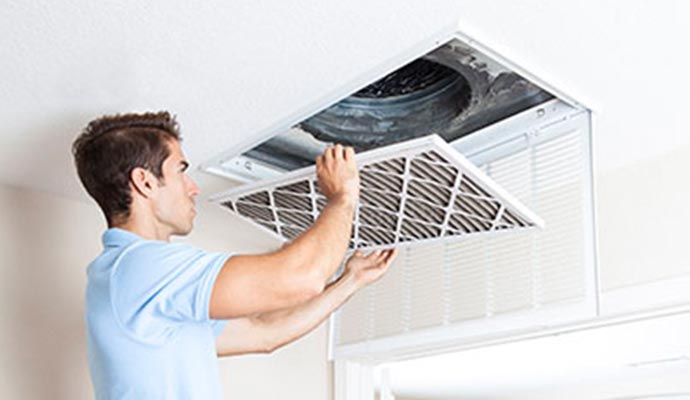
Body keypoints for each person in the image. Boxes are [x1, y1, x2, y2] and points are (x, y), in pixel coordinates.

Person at [72, 111, 397, 399]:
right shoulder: (140, 268)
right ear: (144, 182)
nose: (193, 187)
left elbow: (263, 332)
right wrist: (342, 197)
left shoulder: (140, 282)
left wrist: (351, 280)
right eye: (181, 171)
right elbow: (303, 279)